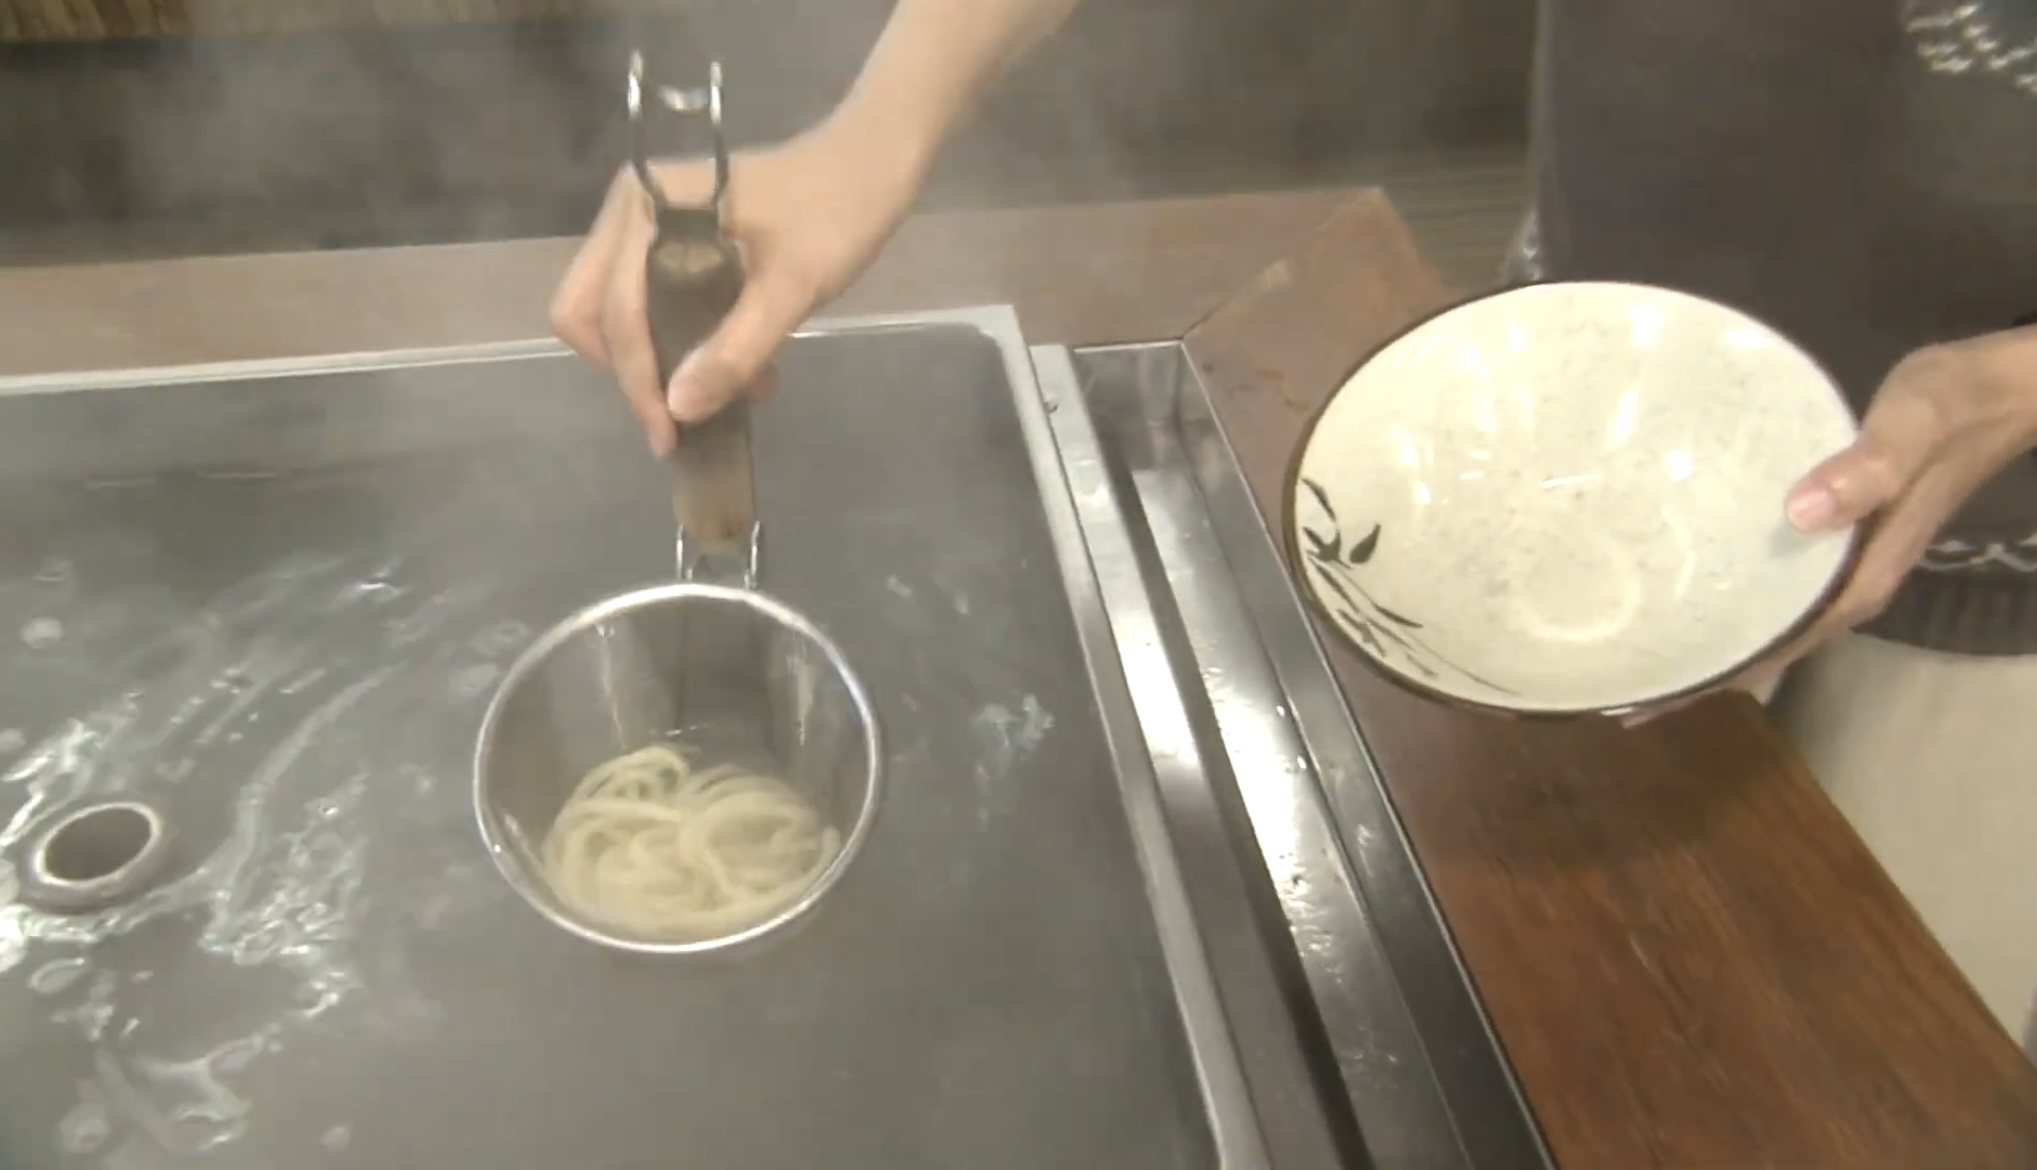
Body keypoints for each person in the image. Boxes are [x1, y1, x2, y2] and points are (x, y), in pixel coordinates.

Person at [552, 0, 2037, 1059]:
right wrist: (876, 126)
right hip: (1537, 445)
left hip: (1997, 585)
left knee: (1865, 1044)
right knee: (1572, 1008)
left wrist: (2003, 385)